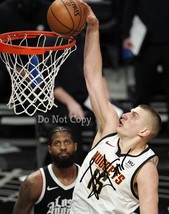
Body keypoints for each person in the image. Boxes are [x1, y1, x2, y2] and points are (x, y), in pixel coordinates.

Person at [70, 2, 162, 214]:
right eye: (130, 111)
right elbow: (92, 76)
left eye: (135, 116)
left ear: (144, 132)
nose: (127, 114)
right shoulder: (108, 128)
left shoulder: (146, 168)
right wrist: (93, 28)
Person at [13, 126, 80, 214]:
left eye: (67, 142)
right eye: (57, 143)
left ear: (75, 146)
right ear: (50, 149)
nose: (63, 147)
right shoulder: (34, 182)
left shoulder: (88, 178)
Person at [121, 0, 169, 109]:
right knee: (142, 91)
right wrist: (126, 34)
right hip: (145, 41)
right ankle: (140, 124)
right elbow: (130, 7)